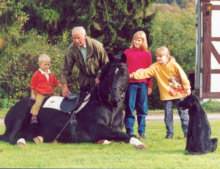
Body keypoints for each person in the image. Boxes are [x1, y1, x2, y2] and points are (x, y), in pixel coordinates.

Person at [130, 46, 191, 139]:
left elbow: (183, 76)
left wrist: (187, 87)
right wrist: (132, 75)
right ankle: (169, 134)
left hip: (179, 94)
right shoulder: (155, 66)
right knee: (168, 115)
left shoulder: (174, 65)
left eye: (160, 56)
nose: (158, 58)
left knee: (183, 114)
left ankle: (187, 133)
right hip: (166, 96)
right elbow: (145, 72)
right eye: (157, 56)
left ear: (167, 56)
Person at [60, 26, 109, 97]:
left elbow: (106, 64)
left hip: (100, 82)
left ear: (85, 36)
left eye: (79, 38)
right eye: (74, 38)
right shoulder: (71, 49)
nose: (76, 41)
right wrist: (64, 86)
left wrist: (99, 76)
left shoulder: (97, 46)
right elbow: (65, 69)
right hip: (84, 83)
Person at [124, 31, 153, 139]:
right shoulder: (127, 52)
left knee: (142, 108)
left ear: (143, 41)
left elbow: (150, 70)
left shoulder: (147, 53)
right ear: (133, 40)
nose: (137, 42)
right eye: (135, 39)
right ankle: (130, 131)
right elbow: (124, 69)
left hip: (143, 84)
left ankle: (142, 132)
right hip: (131, 84)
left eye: (139, 40)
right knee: (130, 108)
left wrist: (150, 86)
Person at [30, 54, 62, 124]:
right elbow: (33, 85)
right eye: (45, 65)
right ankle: (34, 116)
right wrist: (33, 94)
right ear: (39, 64)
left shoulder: (50, 73)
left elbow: (55, 82)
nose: (47, 67)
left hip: (50, 93)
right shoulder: (36, 74)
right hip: (41, 93)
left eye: (48, 65)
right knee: (38, 103)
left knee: (57, 101)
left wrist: (62, 86)